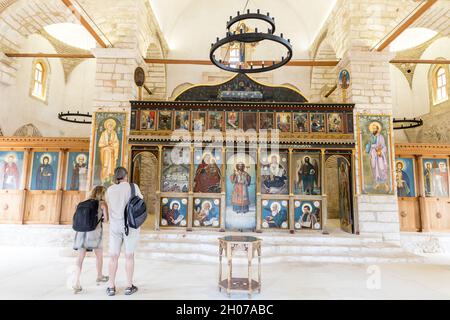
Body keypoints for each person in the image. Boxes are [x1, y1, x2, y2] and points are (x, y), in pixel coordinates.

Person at [106, 167, 143, 296]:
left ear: (116, 177)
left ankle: (111, 286)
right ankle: (128, 286)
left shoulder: (110, 190)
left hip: (115, 226)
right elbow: (141, 203)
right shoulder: (133, 187)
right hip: (130, 225)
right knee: (129, 255)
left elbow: (109, 206)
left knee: (113, 256)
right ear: (126, 175)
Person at [72, 186, 109, 294]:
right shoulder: (102, 203)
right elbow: (106, 220)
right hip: (95, 233)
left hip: (81, 232)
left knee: (80, 258)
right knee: (99, 256)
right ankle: (99, 276)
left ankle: (76, 281)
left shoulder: (82, 203)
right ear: (102, 194)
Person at [365, 122, 388, 191]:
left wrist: (380, 152)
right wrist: (367, 149)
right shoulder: (371, 137)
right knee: (374, 168)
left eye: (374, 128)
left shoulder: (381, 137)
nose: (373, 130)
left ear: (377, 129)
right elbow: (369, 145)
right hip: (373, 154)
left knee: (381, 168)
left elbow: (384, 146)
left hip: (379, 154)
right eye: (372, 128)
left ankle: (385, 184)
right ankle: (377, 183)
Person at [98, 119, 119, 185]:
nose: (110, 127)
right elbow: (100, 144)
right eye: (109, 125)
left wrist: (112, 144)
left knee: (112, 167)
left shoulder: (114, 133)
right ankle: (103, 180)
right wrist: (107, 144)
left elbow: (116, 143)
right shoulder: (103, 134)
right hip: (105, 152)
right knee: (105, 165)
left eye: (111, 125)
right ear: (106, 126)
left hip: (112, 152)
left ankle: (110, 180)